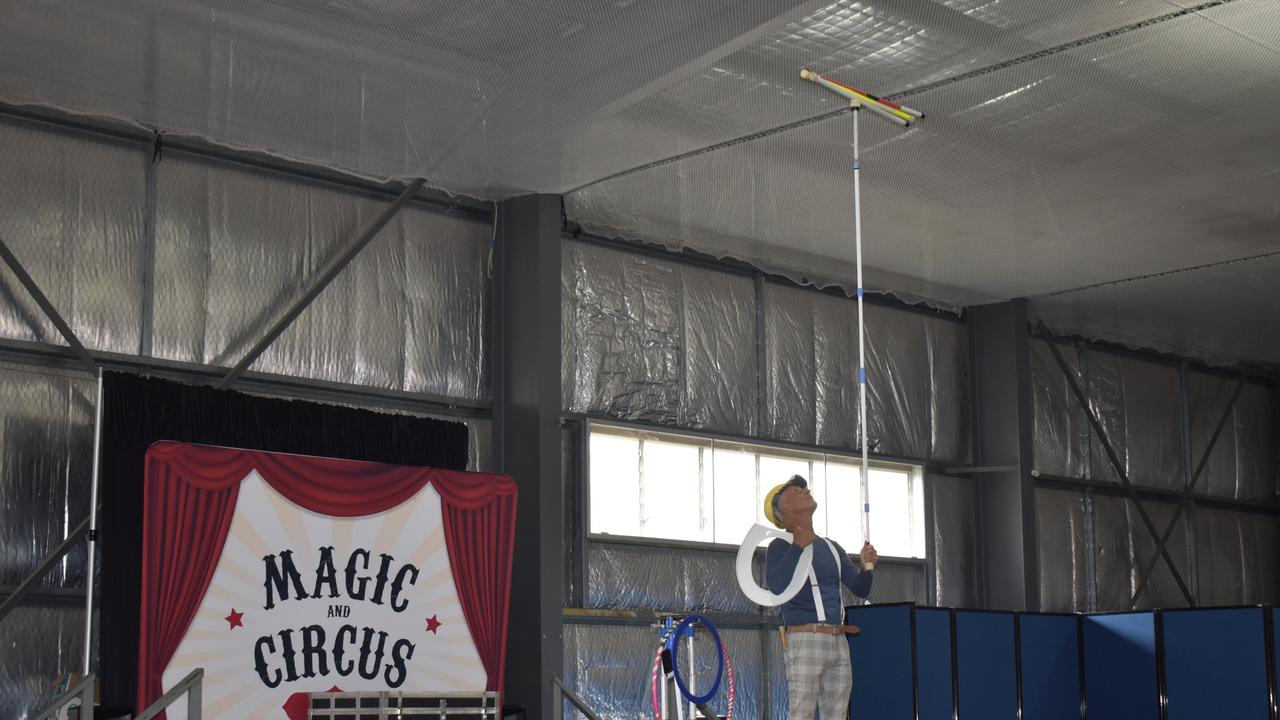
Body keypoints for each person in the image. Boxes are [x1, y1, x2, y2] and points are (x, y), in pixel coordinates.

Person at [764, 474, 878, 720]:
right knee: (802, 713)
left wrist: (867, 567)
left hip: (838, 639)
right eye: (796, 490)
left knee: (837, 716)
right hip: (805, 637)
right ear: (784, 507)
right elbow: (776, 586)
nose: (805, 491)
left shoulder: (831, 547)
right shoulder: (780, 546)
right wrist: (797, 547)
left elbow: (860, 589)